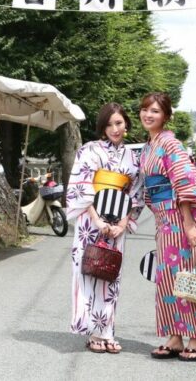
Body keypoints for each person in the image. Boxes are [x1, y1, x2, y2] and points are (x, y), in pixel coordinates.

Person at [138, 92, 196, 362]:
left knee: (189, 277)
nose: (149, 115)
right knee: (167, 280)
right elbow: (148, 188)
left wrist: (189, 222)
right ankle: (174, 335)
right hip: (163, 220)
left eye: (156, 111)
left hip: (179, 219)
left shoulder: (170, 144)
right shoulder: (149, 146)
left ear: (166, 116)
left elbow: (184, 181)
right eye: (145, 110)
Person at [66, 103, 144, 354]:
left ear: (126, 124)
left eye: (119, 123)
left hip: (117, 222)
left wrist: (122, 224)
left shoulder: (133, 158)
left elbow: (136, 193)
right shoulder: (89, 150)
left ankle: (107, 330)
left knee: (110, 274)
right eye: (109, 124)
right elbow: (82, 184)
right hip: (90, 221)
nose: (114, 129)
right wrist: (97, 220)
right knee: (88, 272)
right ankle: (91, 332)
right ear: (102, 127)